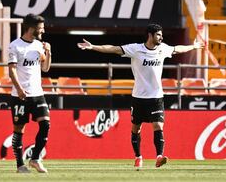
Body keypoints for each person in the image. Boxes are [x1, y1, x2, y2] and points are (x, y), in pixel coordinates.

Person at [77, 24, 203, 170]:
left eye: (161, 35)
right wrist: (93, 46)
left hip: (156, 97)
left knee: (158, 126)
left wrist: (193, 47)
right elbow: (114, 48)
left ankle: (159, 156)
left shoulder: (163, 49)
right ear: (150, 35)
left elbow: (178, 48)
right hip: (139, 97)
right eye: (158, 35)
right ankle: (138, 157)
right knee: (136, 129)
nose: (161, 37)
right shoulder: (136, 49)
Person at [8, 14, 52, 173]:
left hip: (37, 93)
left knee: (46, 124)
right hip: (20, 95)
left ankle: (35, 159)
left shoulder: (39, 45)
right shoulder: (15, 46)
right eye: (40, 28)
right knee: (19, 129)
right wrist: (19, 88)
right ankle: (20, 165)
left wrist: (48, 53)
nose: (43, 30)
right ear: (31, 28)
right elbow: (12, 70)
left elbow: (45, 68)